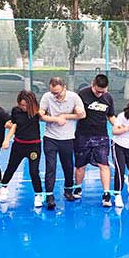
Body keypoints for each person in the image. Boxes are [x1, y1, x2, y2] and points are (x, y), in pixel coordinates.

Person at [39, 77, 85, 210]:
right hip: (50, 137)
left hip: (67, 138)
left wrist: (66, 116)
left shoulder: (74, 97)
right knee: (50, 167)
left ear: (64, 88)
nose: (55, 95)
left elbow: (82, 115)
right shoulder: (47, 97)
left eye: (57, 93)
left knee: (68, 166)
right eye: (53, 92)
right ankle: (49, 195)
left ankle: (68, 190)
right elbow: (41, 116)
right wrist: (55, 119)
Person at [74, 74, 116, 207]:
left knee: (104, 164)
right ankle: (78, 187)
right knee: (80, 165)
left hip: (101, 136)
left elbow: (111, 116)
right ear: (93, 85)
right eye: (97, 91)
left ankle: (106, 193)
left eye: (103, 92)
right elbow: (76, 111)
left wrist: (118, 126)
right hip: (83, 135)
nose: (100, 94)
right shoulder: (82, 94)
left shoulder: (108, 98)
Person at [0, 90, 43, 207]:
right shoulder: (16, 111)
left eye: (26, 105)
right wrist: (6, 139)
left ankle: (38, 194)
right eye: (21, 105)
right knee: (11, 167)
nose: (23, 107)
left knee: (34, 171)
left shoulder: (38, 112)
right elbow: (14, 126)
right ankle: (3, 187)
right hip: (18, 146)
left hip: (34, 146)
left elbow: (46, 117)